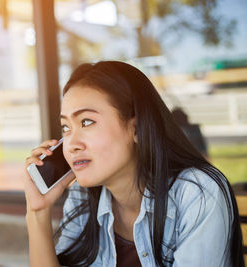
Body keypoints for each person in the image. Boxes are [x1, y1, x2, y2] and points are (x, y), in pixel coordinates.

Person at [23, 61, 244, 267]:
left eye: (86, 122)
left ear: (137, 129)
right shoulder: (83, 195)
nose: (71, 144)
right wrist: (38, 213)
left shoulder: (196, 192)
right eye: (65, 128)